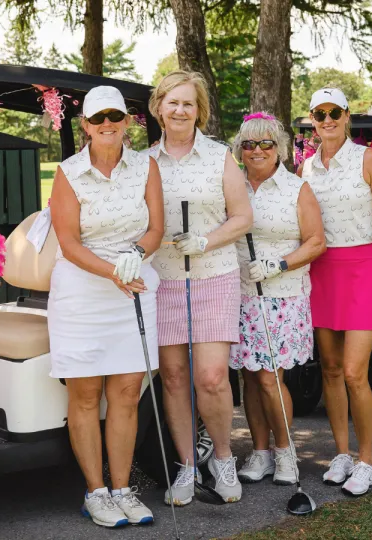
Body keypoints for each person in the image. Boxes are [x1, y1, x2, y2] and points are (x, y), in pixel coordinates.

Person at [48, 86, 164, 528]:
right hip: (83, 291)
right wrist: (112, 270)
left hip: (133, 284)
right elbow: (70, 244)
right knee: (85, 395)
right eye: (98, 119)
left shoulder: (146, 166)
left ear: (127, 121)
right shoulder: (69, 172)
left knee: (127, 394)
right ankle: (96, 492)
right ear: (85, 126)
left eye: (115, 116)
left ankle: (122, 488)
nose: (107, 125)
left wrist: (136, 251)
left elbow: (156, 227)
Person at [145, 71, 254, 505]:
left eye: (188, 103)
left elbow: (242, 216)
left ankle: (223, 458)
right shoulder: (144, 161)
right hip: (166, 279)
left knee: (210, 376)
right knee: (173, 378)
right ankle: (188, 466)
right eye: (172, 102)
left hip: (214, 275)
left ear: (199, 111)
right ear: (158, 107)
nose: (179, 110)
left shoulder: (218, 157)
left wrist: (206, 240)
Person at [298, 87, 372, 496]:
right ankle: (341, 454)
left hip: (361, 269)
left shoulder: (368, 158)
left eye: (334, 112)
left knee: (353, 372)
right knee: (328, 368)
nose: (327, 120)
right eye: (319, 114)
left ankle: (366, 460)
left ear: (347, 116)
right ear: (312, 119)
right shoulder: (305, 167)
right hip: (321, 271)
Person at [228, 112, 326, 485]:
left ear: (279, 149)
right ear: (240, 150)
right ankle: (261, 452)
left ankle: (286, 455)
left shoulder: (295, 188)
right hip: (240, 293)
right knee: (249, 378)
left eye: (266, 143)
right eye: (249, 144)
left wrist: (279, 264)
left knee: (269, 377)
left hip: (282, 294)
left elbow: (317, 241)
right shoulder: (233, 186)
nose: (257, 150)